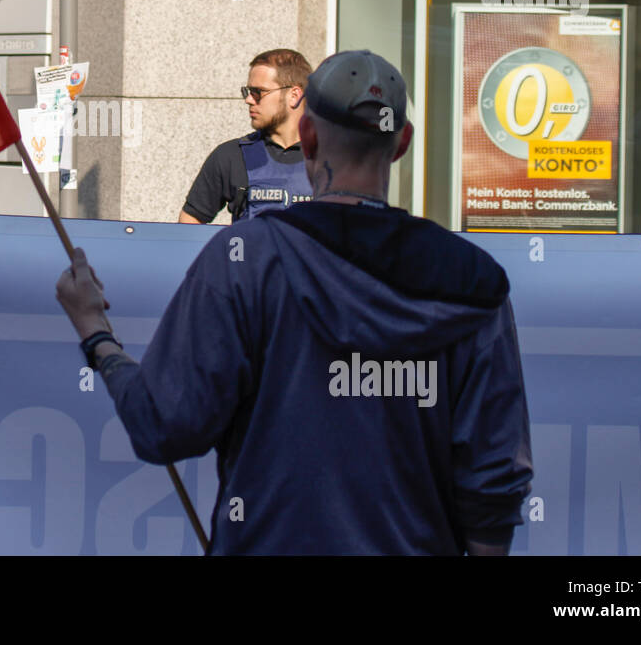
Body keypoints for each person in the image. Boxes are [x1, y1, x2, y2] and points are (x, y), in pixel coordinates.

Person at [59, 49, 533, 554]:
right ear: (402, 144)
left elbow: (163, 426)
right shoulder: (472, 279)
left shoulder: (244, 261)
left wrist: (96, 335)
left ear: (307, 135)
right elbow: (493, 484)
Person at [178, 48, 312, 224]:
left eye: (259, 92)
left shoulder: (337, 159)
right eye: (247, 92)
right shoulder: (232, 156)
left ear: (294, 96)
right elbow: (190, 223)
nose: (249, 100)